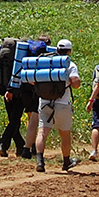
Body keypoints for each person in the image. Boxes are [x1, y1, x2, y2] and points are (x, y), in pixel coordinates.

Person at [33, 38, 82, 172]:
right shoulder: (70, 64)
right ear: (69, 51)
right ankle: (66, 162)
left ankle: (40, 162)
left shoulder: (46, 62)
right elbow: (76, 84)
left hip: (44, 102)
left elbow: (33, 81)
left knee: (42, 132)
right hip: (62, 103)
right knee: (65, 134)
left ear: (56, 49)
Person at [0, 37, 30, 158]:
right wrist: (12, 89)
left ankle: (20, 145)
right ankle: (3, 144)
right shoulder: (21, 55)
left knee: (13, 120)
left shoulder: (4, 55)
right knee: (14, 120)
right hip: (17, 91)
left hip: (4, 90)